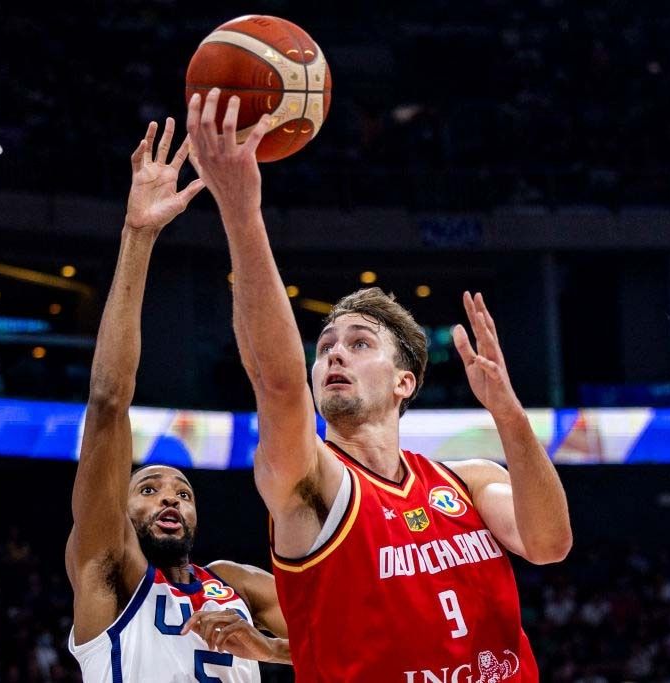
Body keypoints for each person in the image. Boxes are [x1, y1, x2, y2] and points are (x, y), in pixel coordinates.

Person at [186, 89, 573, 682]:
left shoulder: (468, 482)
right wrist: (241, 214)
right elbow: (276, 384)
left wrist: (508, 413)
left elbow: (549, 545)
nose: (335, 353)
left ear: (403, 382)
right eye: (327, 346)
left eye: (360, 343)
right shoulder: (312, 488)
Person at [65, 118, 290, 681]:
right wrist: (138, 235)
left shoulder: (236, 585)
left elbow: (357, 642)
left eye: (183, 493)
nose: (171, 500)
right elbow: (108, 402)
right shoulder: (109, 569)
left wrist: (271, 650)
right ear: (122, 506)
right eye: (149, 489)